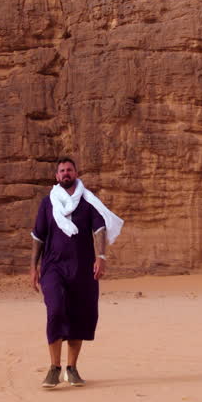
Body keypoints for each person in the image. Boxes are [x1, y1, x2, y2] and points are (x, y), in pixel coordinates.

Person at [29, 157, 123, 389]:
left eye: (69, 170)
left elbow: (99, 229)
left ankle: (71, 369)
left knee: (79, 315)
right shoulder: (47, 203)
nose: (65, 173)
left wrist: (101, 257)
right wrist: (33, 266)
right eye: (61, 171)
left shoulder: (88, 202)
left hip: (82, 268)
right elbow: (38, 236)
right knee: (56, 310)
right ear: (56, 176)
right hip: (53, 266)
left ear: (76, 174)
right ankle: (54, 368)